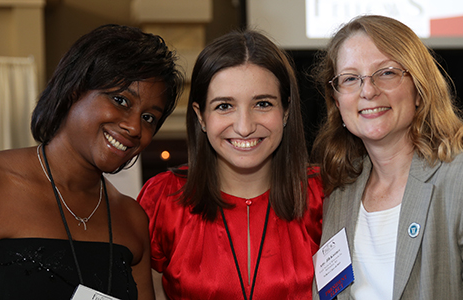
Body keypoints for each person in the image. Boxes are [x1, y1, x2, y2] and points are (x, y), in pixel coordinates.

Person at [311, 15, 463, 300]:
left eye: (386, 72)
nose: (369, 91)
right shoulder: (338, 192)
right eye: (350, 78)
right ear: (337, 102)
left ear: (419, 90)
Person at [0, 24, 183, 300]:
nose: (134, 128)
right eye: (120, 100)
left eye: (148, 118)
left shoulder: (131, 218)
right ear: (74, 90)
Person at [137, 29, 324, 300]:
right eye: (224, 106)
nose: (244, 127)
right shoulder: (163, 200)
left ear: (285, 111)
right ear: (201, 116)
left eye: (262, 103)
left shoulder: (324, 195)